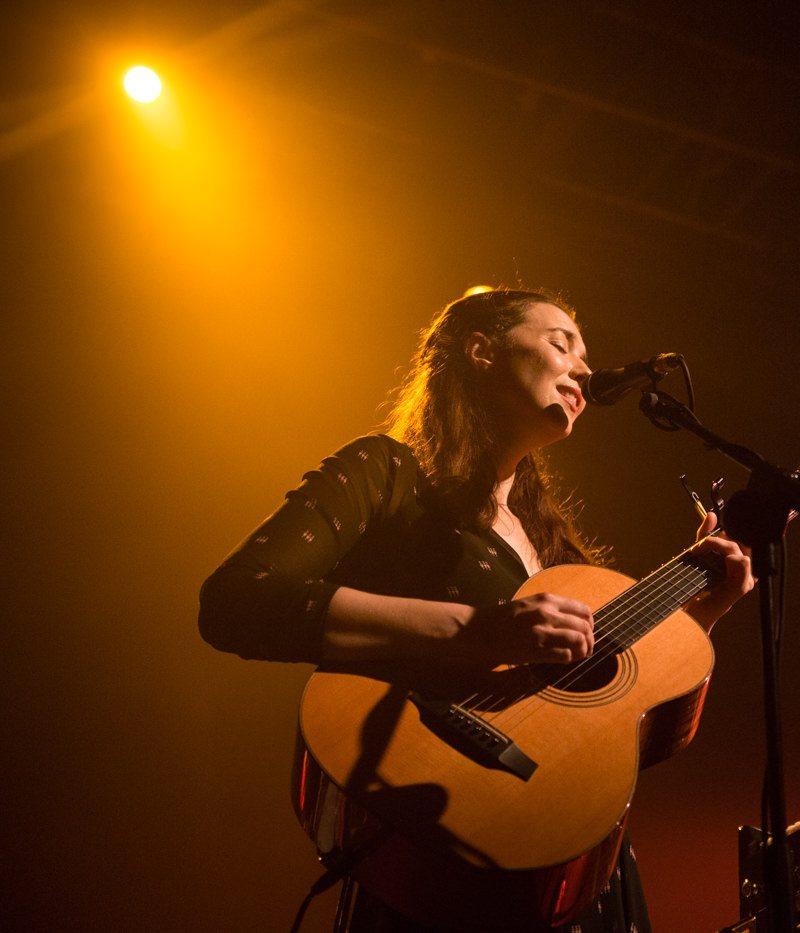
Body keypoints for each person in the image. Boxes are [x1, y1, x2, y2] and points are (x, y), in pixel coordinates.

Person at [199, 288, 754, 932]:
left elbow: (600, 732)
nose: (584, 370)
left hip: (565, 862)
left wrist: (702, 613)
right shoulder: (387, 472)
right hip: (428, 850)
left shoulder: (553, 547)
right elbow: (238, 599)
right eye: (561, 344)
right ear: (482, 351)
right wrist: (477, 630)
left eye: (584, 354)